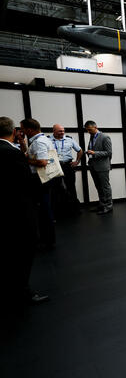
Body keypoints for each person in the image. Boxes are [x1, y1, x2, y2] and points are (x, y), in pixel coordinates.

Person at [0, 117, 48, 312]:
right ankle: (21, 291)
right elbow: (26, 182)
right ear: (14, 131)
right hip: (19, 208)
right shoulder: (12, 153)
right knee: (24, 248)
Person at [20, 118, 56, 248]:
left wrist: (25, 161)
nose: (22, 131)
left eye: (23, 129)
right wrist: (22, 143)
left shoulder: (39, 142)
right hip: (45, 178)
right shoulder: (43, 139)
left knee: (44, 209)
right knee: (44, 208)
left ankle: (48, 240)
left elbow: (42, 162)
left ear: (29, 130)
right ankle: (47, 238)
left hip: (40, 179)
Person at [50, 124, 83, 216]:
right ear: (54, 131)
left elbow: (80, 150)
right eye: (60, 131)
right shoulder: (48, 140)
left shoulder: (69, 139)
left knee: (71, 187)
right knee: (55, 188)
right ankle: (57, 212)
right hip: (55, 166)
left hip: (67, 166)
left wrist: (77, 161)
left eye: (63, 131)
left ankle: (75, 210)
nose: (62, 132)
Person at [85, 120, 113, 215]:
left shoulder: (105, 137)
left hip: (102, 166)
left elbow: (109, 152)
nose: (88, 132)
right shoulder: (92, 136)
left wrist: (94, 153)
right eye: (87, 130)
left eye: (90, 129)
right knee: (98, 187)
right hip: (93, 165)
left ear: (95, 127)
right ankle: (102, 204)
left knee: (105, 187)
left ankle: (108, 206)